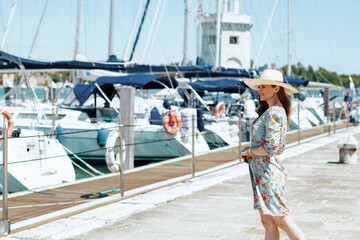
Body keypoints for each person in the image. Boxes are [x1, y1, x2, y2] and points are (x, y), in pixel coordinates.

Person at [241, 69, 306, 240]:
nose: (260, 90)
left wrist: (249, 151)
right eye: (259, 87)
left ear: (276, 88)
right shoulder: (270, 111)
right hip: (262, 174)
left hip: (269, 175)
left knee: (283, 221)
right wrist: (251, 152)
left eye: (264, 87)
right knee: (268, 222)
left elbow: (271, 148)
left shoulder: (275, 112)